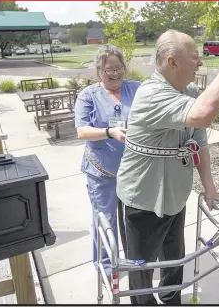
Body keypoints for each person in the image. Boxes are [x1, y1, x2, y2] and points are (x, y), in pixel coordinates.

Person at [116, 24, 219, 305]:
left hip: (175, 198)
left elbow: (199, 141)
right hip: (142, 202)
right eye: (194, 56)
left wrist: (209, 186)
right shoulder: (151, 95)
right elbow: (205, 114)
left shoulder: (189, 90)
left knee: (174, 264)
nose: (200, 61)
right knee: (141, 272)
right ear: (173, 62)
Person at [74, 44, 141, 281]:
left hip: (133, 170)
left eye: (118, 67)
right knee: (106, 219)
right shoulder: (88, 95)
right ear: (98, 71)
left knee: (134, 220)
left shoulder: (136, 89)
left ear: (124, 67)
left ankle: (134, 259)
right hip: (102, 172)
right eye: (107, 69)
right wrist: (109, 132)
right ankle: (105, 265)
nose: (114, 73)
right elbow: (81, 131)